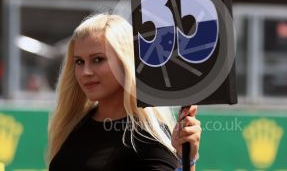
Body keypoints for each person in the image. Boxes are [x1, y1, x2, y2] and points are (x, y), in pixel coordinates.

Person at [47, 13, 202, 171]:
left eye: (98, 59)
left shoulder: (147, 137)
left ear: (125, 62)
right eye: (79, 61)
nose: (85, 71)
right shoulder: (76, 124)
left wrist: (186, 162)